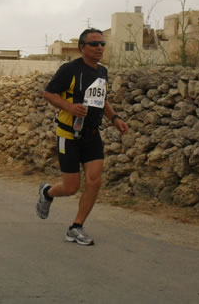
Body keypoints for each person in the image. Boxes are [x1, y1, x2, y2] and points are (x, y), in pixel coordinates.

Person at [36, 28, 128, 246]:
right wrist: (70, 107)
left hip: (92, 134)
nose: (100, 48)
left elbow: (101, 99)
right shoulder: (70, 69)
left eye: (102, 44)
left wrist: (115, 119)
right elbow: (48, 93)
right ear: (82, 47)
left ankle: (76, 227)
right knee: (70, 188)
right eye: (94, 44)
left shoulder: (102, 72)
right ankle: (48, 192)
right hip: (69, 134)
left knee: (95, 181)